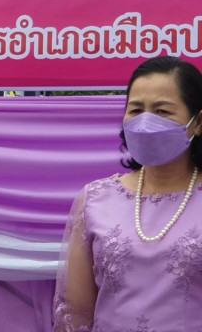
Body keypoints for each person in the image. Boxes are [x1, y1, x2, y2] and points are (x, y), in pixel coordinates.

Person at [53, 56, 202, 332]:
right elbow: (75, 311)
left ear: (198, 122)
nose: (145, 122)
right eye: (136, 110)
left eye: (162, 111)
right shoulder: (95, 199)